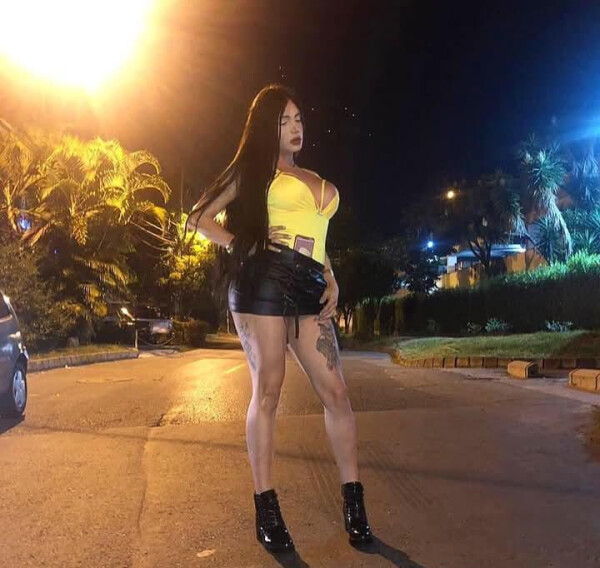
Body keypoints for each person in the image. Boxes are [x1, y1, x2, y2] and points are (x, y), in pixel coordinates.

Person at [186, 84, 372, 553]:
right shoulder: (252, 171)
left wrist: (331, 278)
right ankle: (266, 508)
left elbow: (317, 237)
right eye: (284, 121)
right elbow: (198, 217)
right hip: (263, 283)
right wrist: (240, 245)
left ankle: (354, 503)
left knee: (336, 393)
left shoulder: (312, 177)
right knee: (269, 389)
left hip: (310, 286)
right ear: (265, 128)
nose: (295, 128)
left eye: (298, 119)